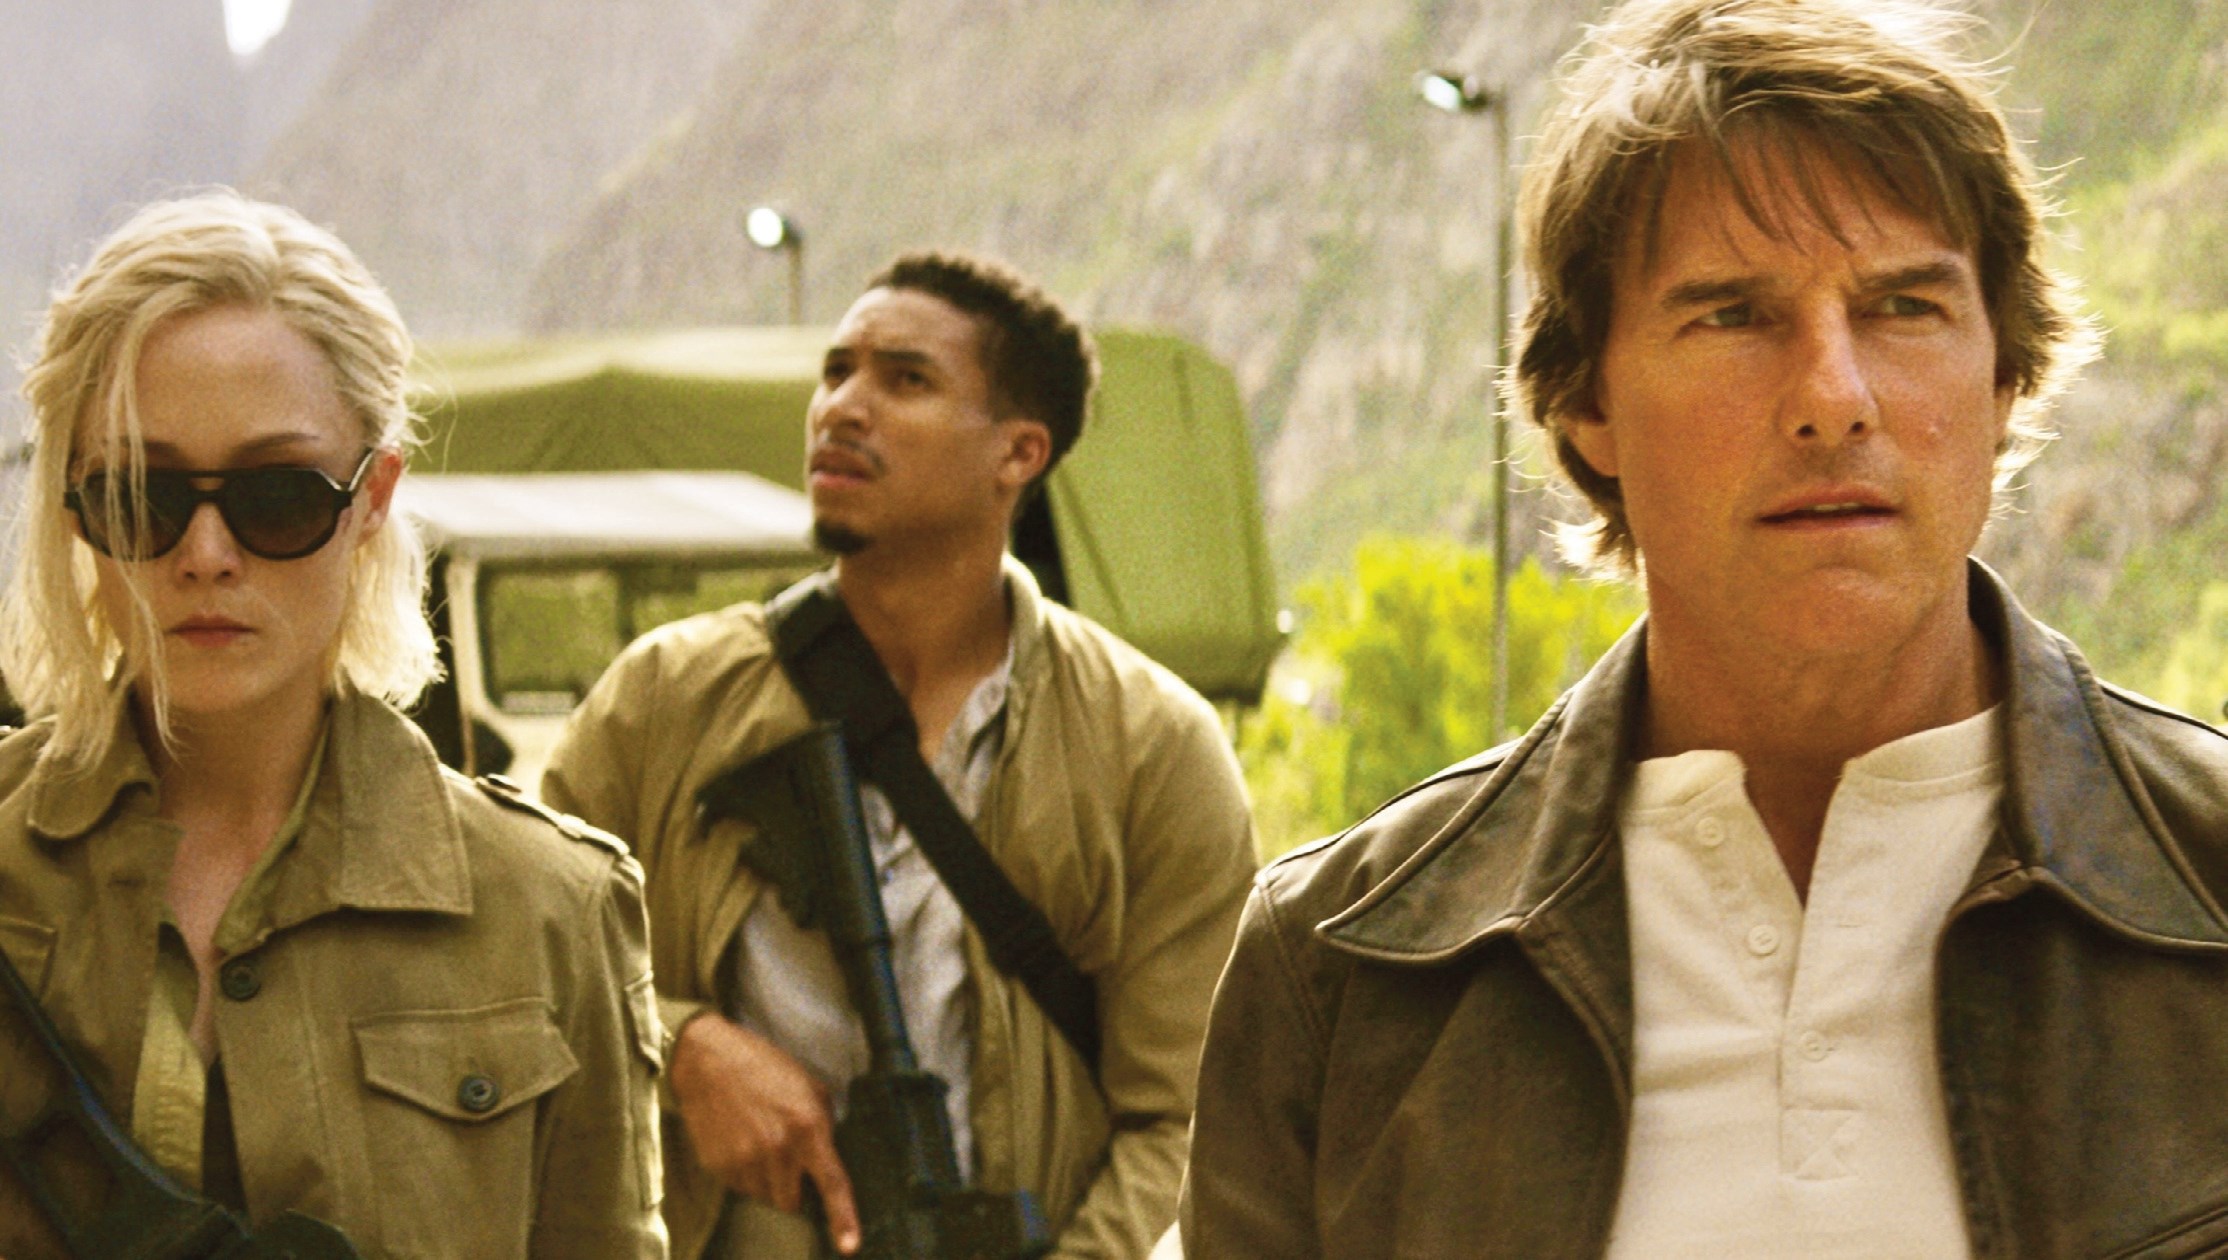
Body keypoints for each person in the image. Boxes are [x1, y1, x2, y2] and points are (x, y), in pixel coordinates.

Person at [1182, 1, 2228, 1256]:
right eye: (1731, 314)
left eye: (1901, 306)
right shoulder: (1343, 978)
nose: (1831, 398)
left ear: (2002, 376)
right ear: (1586, 404)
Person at [542, 250, 1255, 1259]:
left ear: (1018, 453)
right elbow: (522, 974)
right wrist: (684, 1047)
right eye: (836, 371)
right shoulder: (663, 702)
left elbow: (1186, 1118)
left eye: (905, 380)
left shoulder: (1152, 748)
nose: (842, 408)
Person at [0, 192, 668, 1259]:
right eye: (143, 495)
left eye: (278, 496)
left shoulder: (551, 909)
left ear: (372, 500)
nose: (206, 555)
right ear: (77, 512)